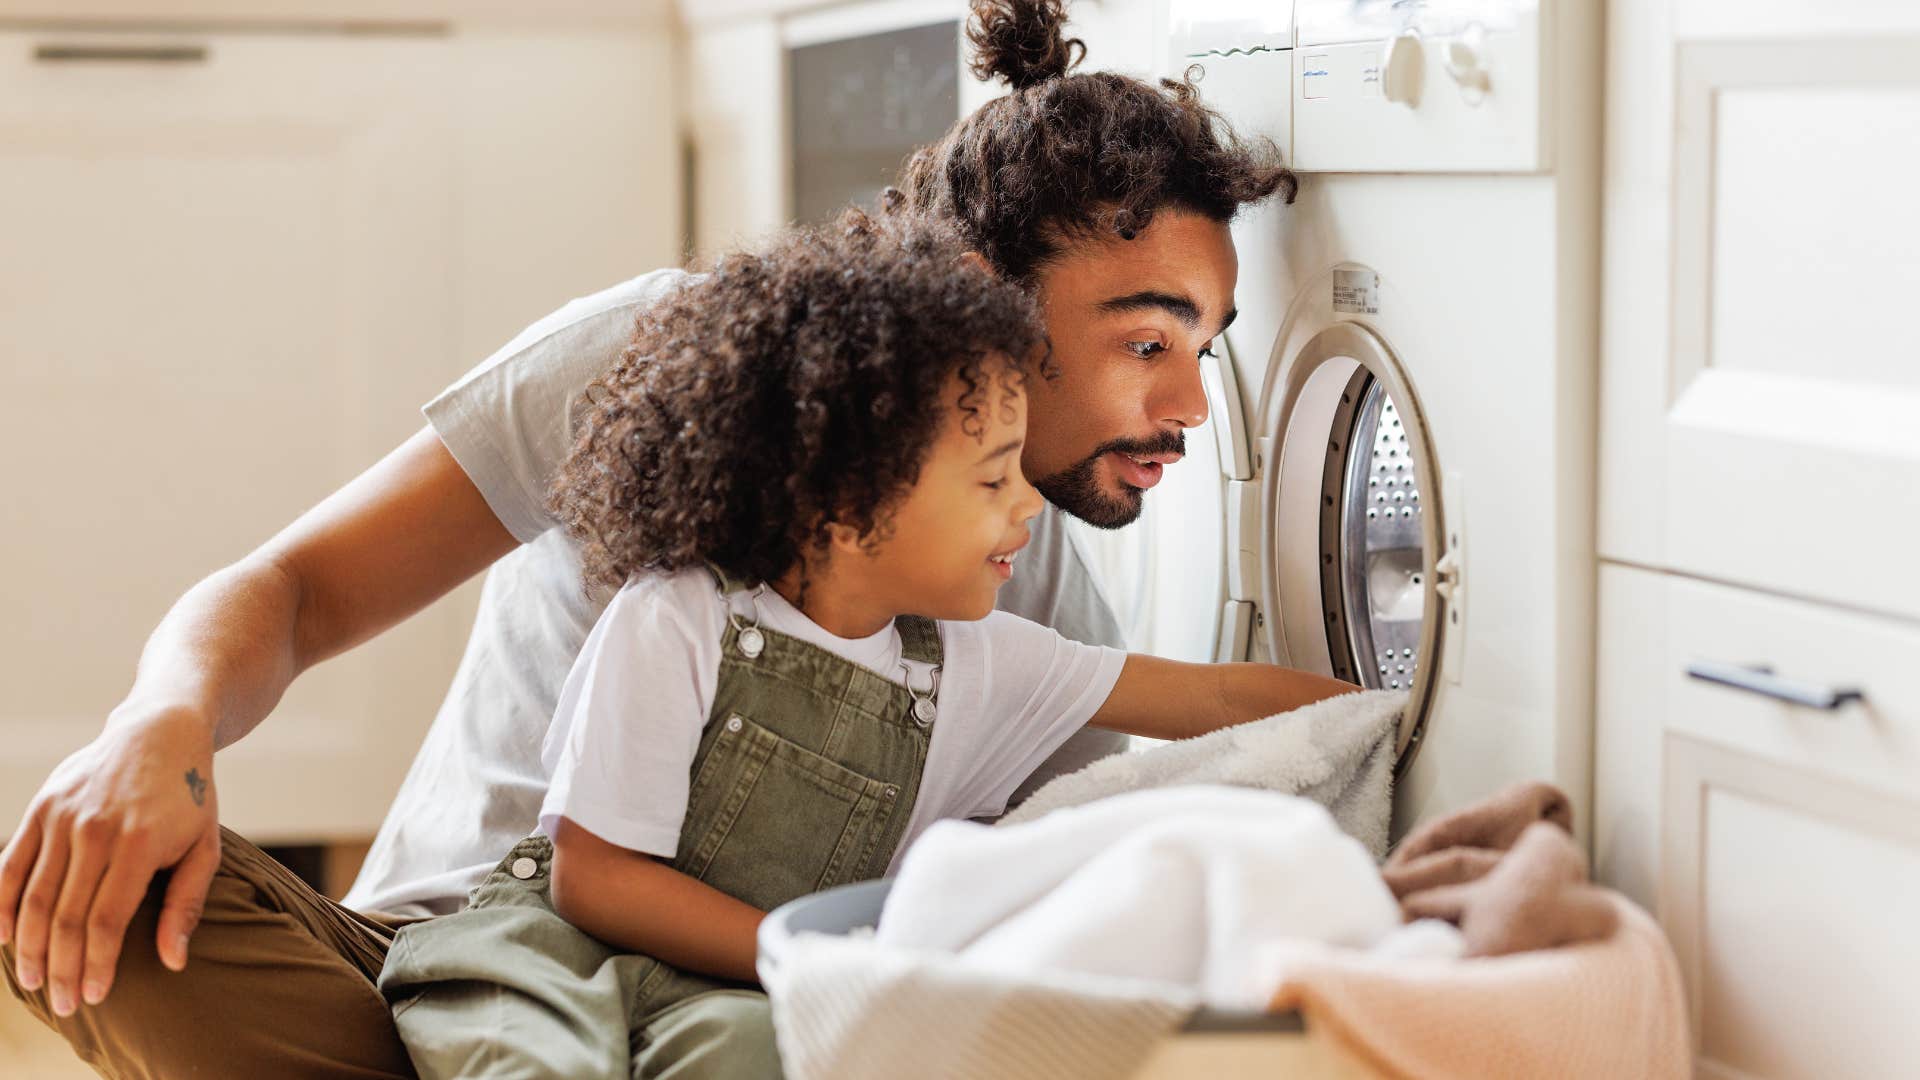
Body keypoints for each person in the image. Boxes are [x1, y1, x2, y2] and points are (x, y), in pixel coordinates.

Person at [0, 1, 1295, 1075]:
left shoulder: (1020, 589)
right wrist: (159, 723)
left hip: (721, 1022)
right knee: (72, 897)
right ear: (978, 292)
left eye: (1207, 349)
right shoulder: (673, 359)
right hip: (450, 967)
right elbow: (299, 589)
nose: (1190, 407)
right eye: (1146, 340)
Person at [378, 211, 1351, 1078]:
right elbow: (595, 878)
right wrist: (811, 954)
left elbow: (1216, 699)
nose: (1028, 506)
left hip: (732, 988)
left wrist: (1392, 714)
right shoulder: (678, 618)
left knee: (753, 1054)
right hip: (557, 957)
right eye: (992, 479)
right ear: (848, 503)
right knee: (539, 1064)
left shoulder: (981, 658)